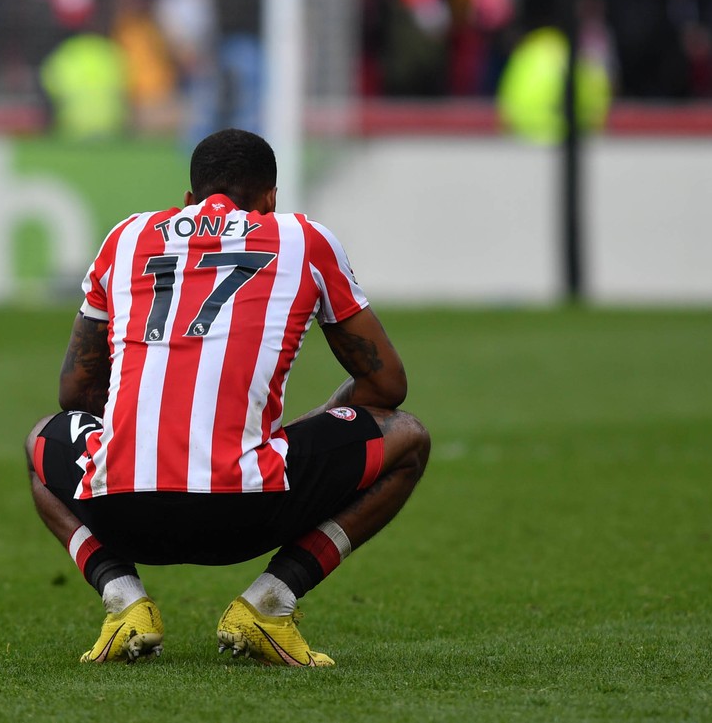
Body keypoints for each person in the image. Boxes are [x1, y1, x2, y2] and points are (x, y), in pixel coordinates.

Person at [24, 128, 430, 666]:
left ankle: (123, 599)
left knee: (39, 440)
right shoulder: (302, 239)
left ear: (189, 199)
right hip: (248, 511)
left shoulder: (126, 237)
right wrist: (309, 424)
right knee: (408, 438)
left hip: (123, 511)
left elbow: (75, 393)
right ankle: (270, 602)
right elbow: (388, 387)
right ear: (270, 199)